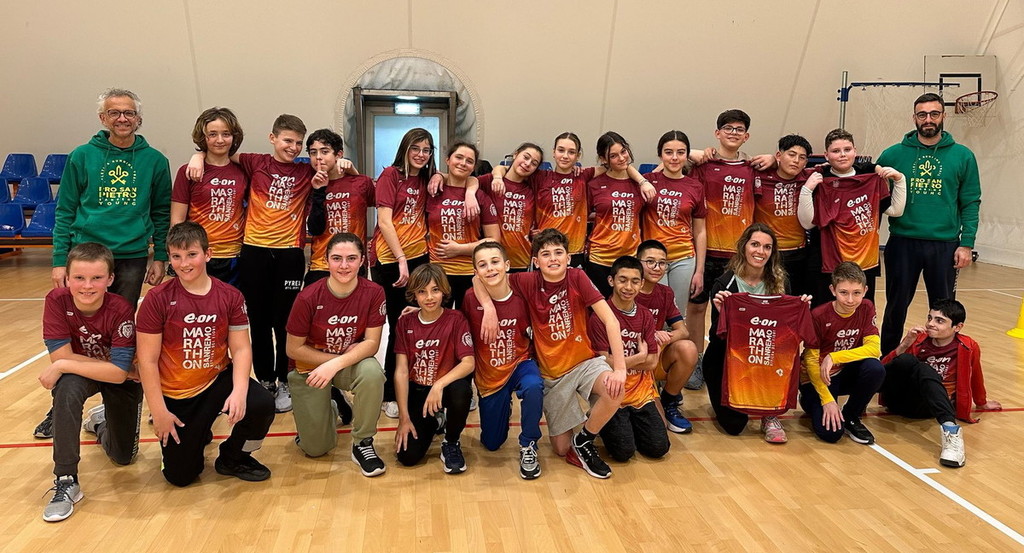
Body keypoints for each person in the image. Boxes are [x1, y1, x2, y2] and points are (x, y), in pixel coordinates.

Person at [38, 87, 171, 441]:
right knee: (78, 335)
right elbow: (65, 210)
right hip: (85, 256)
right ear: (103, 118)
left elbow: (161, 212)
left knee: (118, 337)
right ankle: (61, 404)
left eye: (128, 113)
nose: (122, 119)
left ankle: (115, 409)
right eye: (114, 113)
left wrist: (159, 256)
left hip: (130, 257)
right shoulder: (82, 156)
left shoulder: (155, 161)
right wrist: (59, 260)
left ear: (138, 118)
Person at [186, 114, 343, 414]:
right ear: (273, 138)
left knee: (285, 322)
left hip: (289, 255)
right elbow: (219, 153)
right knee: (257, 320)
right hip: (254, 252)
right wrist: (197, 156)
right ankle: (266, 380)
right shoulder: (254, 162)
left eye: (298, 143)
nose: (293, 147)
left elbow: (334, 164)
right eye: (287, 141)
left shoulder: (305, 169)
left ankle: (285, 380)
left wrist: (346, 164)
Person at [476, 228, 627, 479]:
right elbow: (478, 279)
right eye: (546, 254)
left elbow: (611, 321)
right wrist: (489, 309)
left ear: (568, 258)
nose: (553, 258)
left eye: (558, 252)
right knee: (561, 449)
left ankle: (584, 439)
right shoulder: (527, 281)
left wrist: (620, 369)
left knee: (616, 389)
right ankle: (580, 433)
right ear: (536, 262)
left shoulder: (577, 277)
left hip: (584, 364)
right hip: (553, 377)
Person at [136, 221, 275, 486]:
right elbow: (147, 360)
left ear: (208, 254)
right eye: (176, 256)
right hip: (178, 393)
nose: (184, 263)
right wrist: (159, 411)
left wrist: (239, 391)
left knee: (262, 403)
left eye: (192, 254)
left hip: (217, 379)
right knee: (180, 477)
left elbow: (241, 348)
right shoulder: (157, 299)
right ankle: (195, 436)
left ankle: (234, 456)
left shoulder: (230, 296)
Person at [371, 129, 477, 419]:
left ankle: (428, 383)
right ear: (405, 148)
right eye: (415, 148)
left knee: (425, 324)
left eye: (426, 150)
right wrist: (401, 259)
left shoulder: (428, 179)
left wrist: (446, 178)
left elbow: (471, 177)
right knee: (400, 324)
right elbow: (385, 221)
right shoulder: (391, 175)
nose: (420, 154)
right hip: (392, 260)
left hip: (420, 257)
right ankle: (391, 392)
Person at [38, 243, 142, 522]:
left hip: (121, 380)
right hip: (83, 374)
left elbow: (119, 374)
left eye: (96, 278)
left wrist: (62, 364)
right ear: (67, 278)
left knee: (123, 457)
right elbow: (62, 356)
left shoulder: (120, 308)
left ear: (110, 279)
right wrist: (64, 363)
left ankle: (100, 423)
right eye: (79, 278)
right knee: (67, 389)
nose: (87, 286)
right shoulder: (56, 301)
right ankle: (66, 478)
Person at [877, 93, 982, 355]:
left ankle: (940, 362)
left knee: (944, 311)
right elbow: (872, 196)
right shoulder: (892, 154)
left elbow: (970, 201)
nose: (928, 119)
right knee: (895, 307)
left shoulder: (963, 156)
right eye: (922, 114)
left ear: (943, 116)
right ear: (914, 118)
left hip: (944, 245)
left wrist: (967, 243)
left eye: (934, 114)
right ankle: (888, 361)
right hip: (903, 242)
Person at [285, 233, 387, 476]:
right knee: (315, 449)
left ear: (362, 260)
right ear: (326, 260)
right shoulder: (308, 297)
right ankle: (330, 405)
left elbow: (372, 343)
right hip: (310, 368)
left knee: (372, 372)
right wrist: (332, 362)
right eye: (337, 258)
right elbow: (293, 349)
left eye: (351, 258)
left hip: (346, 365)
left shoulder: (374, 292)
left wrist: (336, 365)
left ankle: (362, 443)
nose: (344, 265)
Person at [703, 223, 814, 443]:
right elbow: (717, 338)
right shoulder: (725, 284)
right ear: (744, 247)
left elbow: (786, 337)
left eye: (767, 247)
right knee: (734, 426)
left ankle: (769, 413)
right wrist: (723, 315)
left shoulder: (781, 283)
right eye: (755, 244)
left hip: (765, 357)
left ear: (772, 252)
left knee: (779, 353)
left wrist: (800, 310)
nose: (760, 251)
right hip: (727, 359)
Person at [881, 299, 1001, 468]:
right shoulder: (918, 339)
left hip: (932, 407)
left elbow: (976, 375)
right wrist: (905, 343)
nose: (931, 324)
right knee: (909, 361)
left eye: (939, 321)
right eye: (929, 318)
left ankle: (951, 434)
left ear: (957, 327)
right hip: (902, 400)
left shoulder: (968, 346)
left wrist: (981, 402)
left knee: (924, 370)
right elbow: (882, 370)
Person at [685, 110, 757, 389]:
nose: (733, 133)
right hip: (706, 250)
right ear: (717, 133)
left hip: (738, 255)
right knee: (696, 308)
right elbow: (671, 158)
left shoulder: (752, 168)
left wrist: (774, 158)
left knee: (734, 311)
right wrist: (694, 152)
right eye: (728, 128)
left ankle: (730, 362)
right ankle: (695, 361)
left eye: (739, 129)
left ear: (746, 136)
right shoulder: (704, 165)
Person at [462, 241, 544, 479]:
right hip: (490, 374)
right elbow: (455, 324)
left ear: (507, 265)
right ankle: (503, 406)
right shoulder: (470, 298)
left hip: (519, 362)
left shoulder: (522, 292)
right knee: (492, 443)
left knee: (533, 386)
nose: (490, 268)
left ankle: (528, 443)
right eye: (483, 265)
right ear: (476, 272)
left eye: (495, 262)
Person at [799, 128, 905, 307]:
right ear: (826, 155)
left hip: (865, 263)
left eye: (847, 149)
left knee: (862, 313)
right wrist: (807, 190)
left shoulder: (870, 178)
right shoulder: (819, 179)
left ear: (855, 151)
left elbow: (896, 211)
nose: (842, 155)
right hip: (827, 262)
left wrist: (900, 180)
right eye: (836, 151)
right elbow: (807, 223)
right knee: (824, 313)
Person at [394, 263, 475, 474]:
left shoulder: (456, 319)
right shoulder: (405, 322)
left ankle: (451, 441)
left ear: (444, 291)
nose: (429, 297)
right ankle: (434, 421)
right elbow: (401, 371)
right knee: (407, 457)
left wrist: (438, 385)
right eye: (422, 292)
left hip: (444, 389)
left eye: (435, 290)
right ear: (414, 294)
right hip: (418, 390)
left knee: (461, 390)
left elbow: (469, 363)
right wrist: (404, 418)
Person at [588, 256, 669, 462]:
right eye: (622, 280)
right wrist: (639, 357)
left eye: (634, 281)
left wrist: (625, 360)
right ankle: (599, 414)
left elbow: (652, 362)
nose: (628, 287)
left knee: (659, 448)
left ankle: (629, 423)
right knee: (623, 452)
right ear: (611, 281)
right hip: (613, 393)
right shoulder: (599, 317)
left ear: (641, 284)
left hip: (641, 393)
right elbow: (603, 362)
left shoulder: (645, 315)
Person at [798, 262, 885, 444]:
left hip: (844, 370)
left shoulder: (866, 307)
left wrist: (834, 356)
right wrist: (827, 400)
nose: (850, 300)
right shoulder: (819, 315)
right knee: (831, 434)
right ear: (833, 290)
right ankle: (809, 400)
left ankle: (851, 415)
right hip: (818, 377)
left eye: (856, 293)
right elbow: (811, 361)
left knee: (875, 368)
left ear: (865, 290)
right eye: (844, 292)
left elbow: (874, 349)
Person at [171, 107, 248, 285]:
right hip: (198, 254)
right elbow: (177, 220)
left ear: (234, 136)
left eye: (226, 134)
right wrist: (179, 255)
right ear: (203, 137)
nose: (219, 140)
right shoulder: (188, 171)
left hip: (234, 256)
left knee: (230, 301)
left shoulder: (244, 171)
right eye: (212, 134)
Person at [640, 130, 707, 320]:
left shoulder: (695, 187)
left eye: (681, 152)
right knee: (651, 315)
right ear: (660, 155)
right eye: (668, 152)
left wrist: (699, 271)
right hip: (652, 258)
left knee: (677, 316)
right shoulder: (648, 181)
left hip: (683, 258)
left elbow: (700, 231)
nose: (675, 158)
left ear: (687, 155)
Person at [634, 240, 698, 433]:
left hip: (654, 358)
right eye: (650, 262)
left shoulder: (665, 293)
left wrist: (665, 337)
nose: (657, 267)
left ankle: (669, 401)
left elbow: (683, 331)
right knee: (655, 431)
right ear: (638, 263)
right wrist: (651, 335)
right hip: (630, 361)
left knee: (688, 348)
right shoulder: (627, 289)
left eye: (662, 263)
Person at [425, 142, 498, 309]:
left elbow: (494, 241)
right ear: (447, 160)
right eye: (458, 157)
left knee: (468, 321)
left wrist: (460, 249)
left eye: (469, 161)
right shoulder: (433, 190)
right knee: (439, 322)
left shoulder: (480, 196)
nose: (463, 163)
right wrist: (437, 175)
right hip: (437, 272)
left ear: (473, 168)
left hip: (470, 273)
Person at [304, 129, 375, 285]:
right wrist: (319, 190)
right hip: (321, 265)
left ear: (339, 154)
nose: (318, 157)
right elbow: (314, 228)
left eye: (325, 152)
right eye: (313, 152)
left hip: (354, 264)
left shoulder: (361, 182)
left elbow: (385, 207)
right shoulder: (309, 183)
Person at [586, 132, 652, 297]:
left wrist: (643, 181)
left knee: (625, 305)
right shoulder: (594, 185)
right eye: (613, 156)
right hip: (600, 258)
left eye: (623, 151)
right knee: (599, 306)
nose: (621, 158)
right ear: (603, 159)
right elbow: (582, 215)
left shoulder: (640, 183)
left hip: (629, 258)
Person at [752, 134, 815, 297]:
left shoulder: (808, 177)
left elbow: (837, 167)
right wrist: (771, 159)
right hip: (767, 253)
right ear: (779, 155)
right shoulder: (758, 175)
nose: (796, 161)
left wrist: (875, 168)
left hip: (798, 253)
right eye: (791, 155)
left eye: (802, 157)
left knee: (795, 301)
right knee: (767, 300)